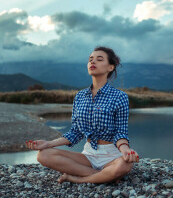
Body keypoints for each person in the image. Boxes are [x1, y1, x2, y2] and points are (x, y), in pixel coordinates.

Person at [25, 46, 139, 184]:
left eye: (99, 59)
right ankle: (101, 176)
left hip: (112, 155)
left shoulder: (120, 96)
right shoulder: (80, 96)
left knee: (124, 165)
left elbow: (121, 131)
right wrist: (48, 143)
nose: (93, 62)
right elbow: (76, 132)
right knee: (43, 155)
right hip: (89, 155)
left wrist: (125, 149)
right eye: (90, 59)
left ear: (110, 67)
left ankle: (76, 178)